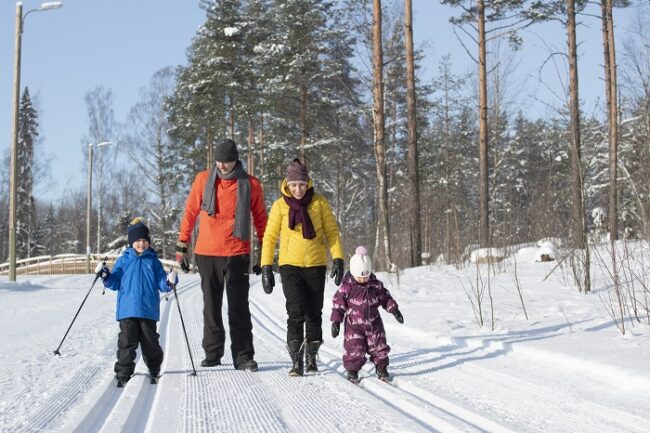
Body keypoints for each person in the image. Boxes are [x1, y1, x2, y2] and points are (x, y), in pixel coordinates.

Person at [176, 138, 267, 371]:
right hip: (207, 252)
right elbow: (190, 212)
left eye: (227, 162)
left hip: (237, 253)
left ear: (236, 160)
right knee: (211, 306)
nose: (223, 166)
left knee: (239, 306)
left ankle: (244, 355)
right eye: (219, 161)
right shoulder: (203, 180)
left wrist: (265, 253)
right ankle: (213, 353)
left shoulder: (250, 184)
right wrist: (181, 244)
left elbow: (260, 219)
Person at [260, 158, 344, 377]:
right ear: (287, 184)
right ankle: (296, 360)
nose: (298, 189)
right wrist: (266, 267)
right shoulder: (280, 206)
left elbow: (332, 233)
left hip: (316, 265)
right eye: (294, 185)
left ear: (308, 183)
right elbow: (269, 237)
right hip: (290, 266)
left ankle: (312, 356)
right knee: (295, 312)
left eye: (302, 184)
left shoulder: (319, 203)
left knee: (314, 313)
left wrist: (338, 259)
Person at [100, 218, 177, 387]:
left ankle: (155, 368)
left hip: (148, 310)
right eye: (137, 241)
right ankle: (123, 373)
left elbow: (161, 283)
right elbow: (115, 282)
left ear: (148, 243)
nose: (141, 244)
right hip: (127, 310)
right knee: (126, 342)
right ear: (131, 243)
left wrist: (170, 281)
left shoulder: (154, 262)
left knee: (150, 341)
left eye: (144, 241)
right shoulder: (124, 260)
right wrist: (106, 276)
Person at [330, 246, 404, 383]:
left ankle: (381, 368)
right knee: (355, 349)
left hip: (374, 324)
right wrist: (336, 322)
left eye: (366, 276)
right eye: (360, 277)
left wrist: (394, 310)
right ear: (353, 273)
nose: (363, 280)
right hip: (354, 326)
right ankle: (352, 370)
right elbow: (337, 305)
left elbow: (385, 298)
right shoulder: (347, 287)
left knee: (379, 347)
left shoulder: (375, 286)